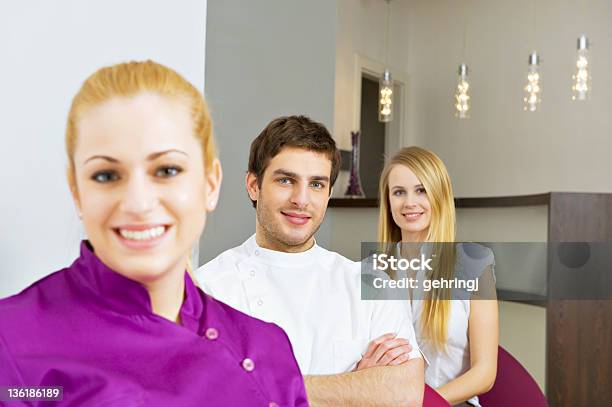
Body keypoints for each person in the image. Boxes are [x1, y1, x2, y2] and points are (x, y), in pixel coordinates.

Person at [0, 61, 307, 406]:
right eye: (105, 175)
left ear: (210, 184)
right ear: (77, 193)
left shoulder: (267, 347)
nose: (138, 203)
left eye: (167, 170)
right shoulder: (11, 342)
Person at [197, 116, 424, 407]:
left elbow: (405, 394)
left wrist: (264, 386)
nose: (301, 200)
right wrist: (354, 388)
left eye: (316, 184)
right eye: (285, 180)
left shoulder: (370, 282)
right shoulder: (208, 290)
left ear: (329, 193)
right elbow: (208, 395)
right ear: (254, 185)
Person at [377, 146, 498, 406]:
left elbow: (485, 373)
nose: (409, 202)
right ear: (388, 201)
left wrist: (426, 403)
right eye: (399, 192)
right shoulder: (370, 271)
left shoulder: (474, 263)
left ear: (440, 196)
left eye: (421, 190)